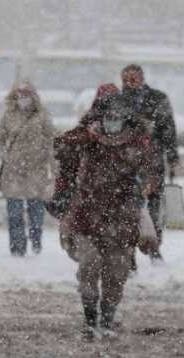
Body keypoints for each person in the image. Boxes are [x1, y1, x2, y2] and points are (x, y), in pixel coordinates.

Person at [59, 93, 158, 340]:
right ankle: (90, 319)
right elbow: (61, 147)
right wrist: (86, 134)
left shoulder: (138, 142)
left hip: (122, 219)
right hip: (88, 217)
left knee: (116, 272)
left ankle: (107, 319)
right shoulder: (87, 139)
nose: (112, 122)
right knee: (89, 266)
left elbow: (152, 172)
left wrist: (145, 185)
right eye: (108, 117)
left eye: (117, 117)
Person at [51, 83, 119, 259]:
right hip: (88, 185)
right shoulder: (90, 121)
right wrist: (86, 137)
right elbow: (63, 145)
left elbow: (141, 150)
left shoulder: (127, 124)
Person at [121, 64, 178, 262]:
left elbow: (168, 130)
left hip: (152, 162)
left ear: (142, 78)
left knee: (154, 206)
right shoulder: (117, 102)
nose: (131, 82)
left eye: (134, 78)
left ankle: (154, 247)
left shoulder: (158, 98)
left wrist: (172, 158)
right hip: (126, 163)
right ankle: (130, 252)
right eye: (126, 79)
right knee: (128, 208)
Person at [0, 80, 57, 256]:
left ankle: (36, 243)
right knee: (14, 213)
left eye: (26, 94)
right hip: (13, 172)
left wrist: (54, 167)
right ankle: (17, 247)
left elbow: (53, 141)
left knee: (36, 213)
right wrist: (5, 155)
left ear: (33, 96)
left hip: (37, 171)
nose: (23, 98)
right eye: (20, 94)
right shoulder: (8, 116)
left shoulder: (43, 116)